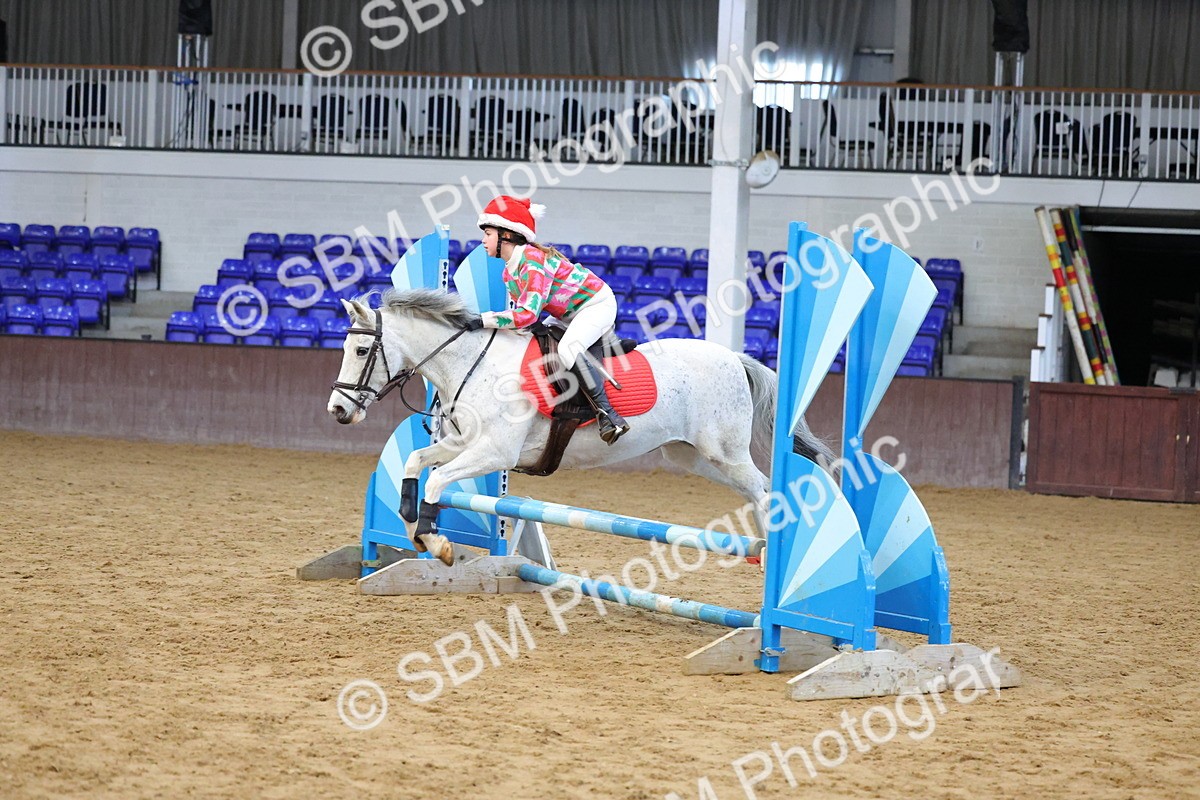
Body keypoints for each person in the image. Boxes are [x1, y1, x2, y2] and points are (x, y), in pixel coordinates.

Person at [466, 195, 629, 445]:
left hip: (596, 304)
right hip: (566, 315)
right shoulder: (509, 272)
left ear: (506, 235)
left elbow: (527, 315)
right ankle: (604, 345)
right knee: (542, 344)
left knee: (566, 350)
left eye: (488, 233)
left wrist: (483, 320)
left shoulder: (531, 260)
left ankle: (609, 416)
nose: (483, 240)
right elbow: (524, 321)